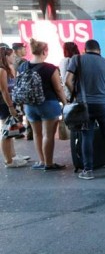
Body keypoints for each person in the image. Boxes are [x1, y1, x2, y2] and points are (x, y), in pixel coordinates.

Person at [64, 39, 105, 179]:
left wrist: (76, 94)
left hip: (84, 105)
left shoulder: (76, 59)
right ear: (99, 50)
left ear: (85, 49)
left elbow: (67, 81)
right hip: (103, 104)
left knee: (86, 136)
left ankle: (88, 170)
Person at [22, 39, 69, 170]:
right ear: (44, 51)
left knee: (37, 134)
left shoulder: (23, 66)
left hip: (29, 105)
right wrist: (65, 103)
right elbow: (58, 89)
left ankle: (41, 162)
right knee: (48, 135)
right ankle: (49, 163)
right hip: (48, 104)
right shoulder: (50, 68)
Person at [0, 46, 31, 168]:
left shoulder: (7, 69)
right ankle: (9, 160)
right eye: (12, 56)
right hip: (4, 104)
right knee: (6, 132)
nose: (14, 57)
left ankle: (12, 156)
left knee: (11, 130)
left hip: (9, 102)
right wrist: (10, 106)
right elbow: (4, 91)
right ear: (6, 57)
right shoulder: (2, 70)